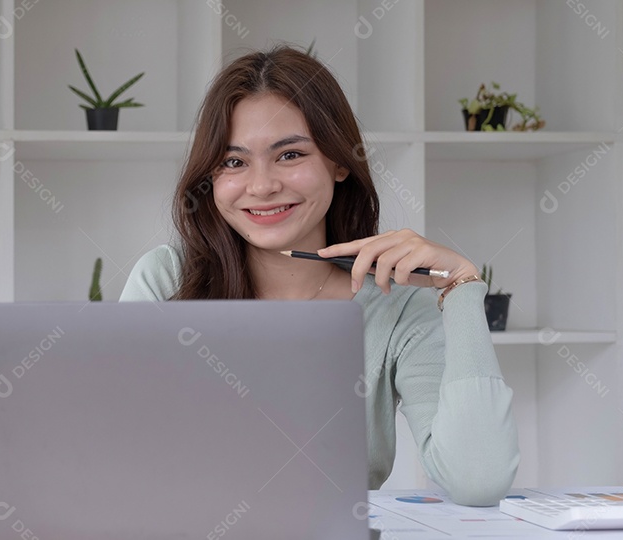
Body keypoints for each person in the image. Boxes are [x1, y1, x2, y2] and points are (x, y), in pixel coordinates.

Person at [119, 46, 518, 507]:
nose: (262, 185)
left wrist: (462, 286)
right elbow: (123, 455)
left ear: (339, 161)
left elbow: (478, 480)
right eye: (234, 162)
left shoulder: (399, 300)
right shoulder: (165, 279)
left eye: (289, 154)